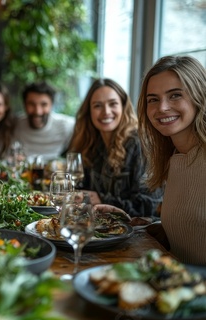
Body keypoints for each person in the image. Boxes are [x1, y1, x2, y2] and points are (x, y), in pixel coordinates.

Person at [137, 55, 206, 265]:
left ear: (200, 97)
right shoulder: (174, 157)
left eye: (175, 95)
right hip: (177, 284)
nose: (163, 107)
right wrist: (145, 225)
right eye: (153, 99)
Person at [68, 78, 162, 218]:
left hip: (137, 231)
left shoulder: (140, 143)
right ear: (89, 111)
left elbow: (149, 207)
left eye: (113, 104)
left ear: (123, 107)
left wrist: (102, 199)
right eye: (97, 106)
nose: (106, 112)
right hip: (100, 227)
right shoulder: (90, 143)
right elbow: (81, 189)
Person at [14, 82, 75, 160]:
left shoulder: (67, 126)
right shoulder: (15, 125)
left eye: (44, 104)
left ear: (51, 105)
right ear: (24, 105)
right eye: (31, 104)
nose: (38, 111)